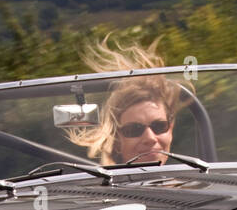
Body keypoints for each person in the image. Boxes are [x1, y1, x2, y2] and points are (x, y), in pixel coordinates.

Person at [68, 36, 188, 166]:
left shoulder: (189, 182)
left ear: (170, 129)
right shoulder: (104, 185)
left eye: (159, 126)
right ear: (117, 141)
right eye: (134, 130)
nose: (150, 138)